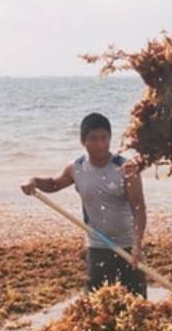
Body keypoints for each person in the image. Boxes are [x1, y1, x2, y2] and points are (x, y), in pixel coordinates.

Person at [20, 112, 147, 297]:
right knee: (95, 302)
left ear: (111, 138)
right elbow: (54, 184)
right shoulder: (76, 168)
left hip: (128, 244)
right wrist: (33, 181)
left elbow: (139, 207)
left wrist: (138, 244)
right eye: (93, 139)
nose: (100, 144)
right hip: (98, 244)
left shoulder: (126, 168)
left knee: (136, 301)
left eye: (104, 138)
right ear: (83, 141)